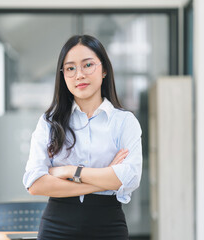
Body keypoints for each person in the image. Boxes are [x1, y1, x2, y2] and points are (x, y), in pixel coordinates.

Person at [22, 35, 142, 240]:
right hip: (56, 227)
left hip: (108, 227)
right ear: (63, 75)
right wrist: (106, 179)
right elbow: (35, 183)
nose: (79, 75)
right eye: (70, 68)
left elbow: (130, 177)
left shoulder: (124, 121)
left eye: (88, 65)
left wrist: (70, 171)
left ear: (104, 69)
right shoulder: (49, 122)